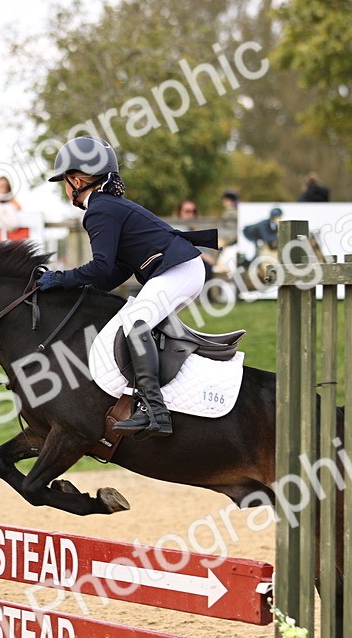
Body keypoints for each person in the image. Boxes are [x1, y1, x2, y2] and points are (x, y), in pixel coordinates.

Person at [36, 137, 216, 439]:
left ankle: (155, 411)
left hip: (180, 270)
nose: (66, 189)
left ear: (76, 180)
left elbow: (101, 267)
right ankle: (150, 402)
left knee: (135, 322)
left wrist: (60, 279)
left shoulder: (99, 211)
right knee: (131, 320)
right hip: (180, 269)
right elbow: (117, 269)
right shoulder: (108, 206)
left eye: (64, 182)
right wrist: (81, 293)